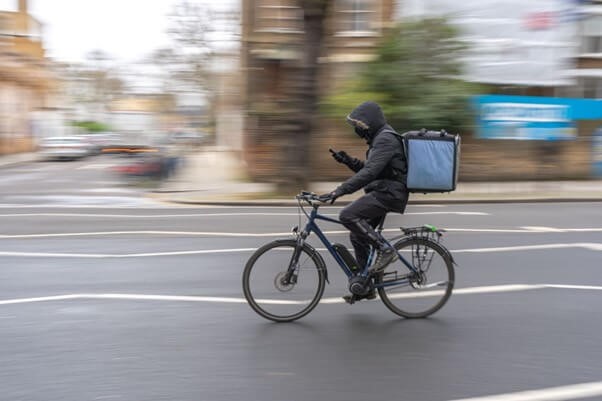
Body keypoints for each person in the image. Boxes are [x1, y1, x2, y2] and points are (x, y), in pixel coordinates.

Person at [320, 101, 409, 299]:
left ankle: (386, 250)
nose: (358, 131)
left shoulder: (385, 140)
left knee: (347, 215)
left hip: (389, 194)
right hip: (384, 190)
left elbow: (369, 173)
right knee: (357, 234)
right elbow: (373, 171)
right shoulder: (380, 138)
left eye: (360, 127)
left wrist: (339, 191)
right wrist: (348, 161)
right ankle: (366, 285)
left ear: (370, 123)